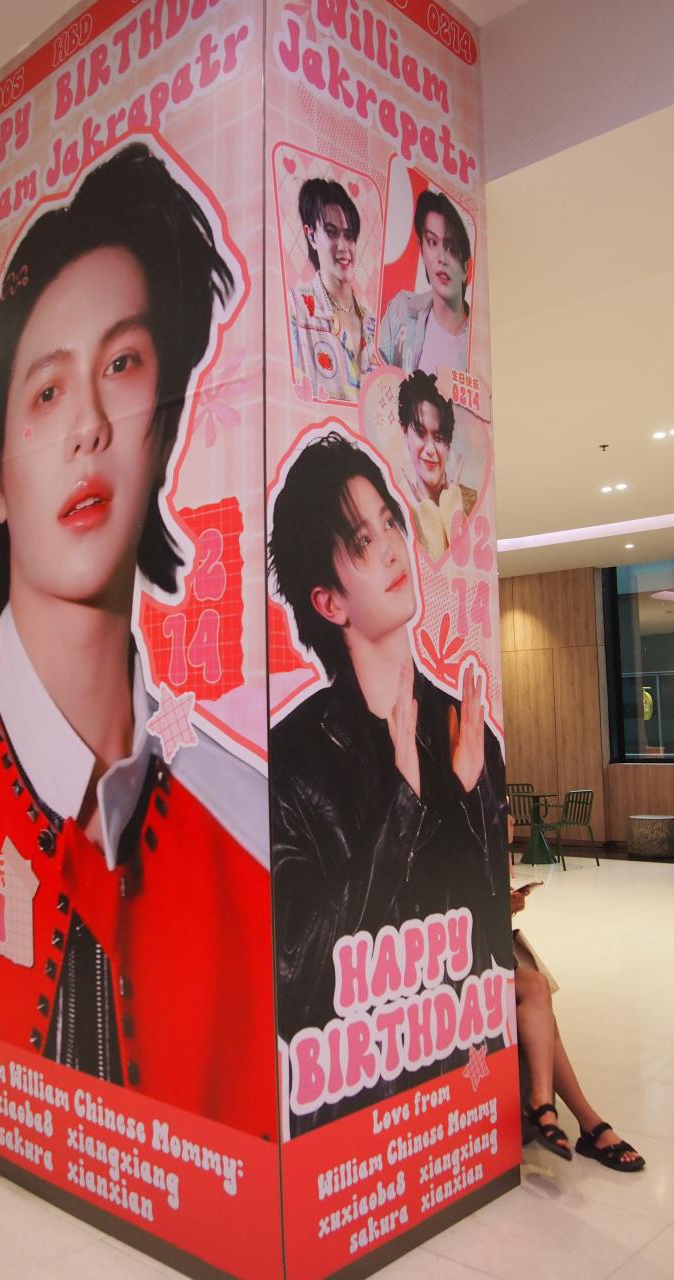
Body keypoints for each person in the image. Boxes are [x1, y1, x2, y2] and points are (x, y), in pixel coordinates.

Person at [0, 143, 275, 1139]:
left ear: (164, 425)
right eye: (46, 392)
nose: (87, 427)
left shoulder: (246, 823)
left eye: (122, 365)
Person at [268, 432, 508, 1133]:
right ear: (329, 602)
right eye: (363, 541)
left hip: (456, 1082)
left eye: (390, 524)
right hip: (355, 1103)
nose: (394, 549)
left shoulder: (466, 732)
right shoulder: (294, 759)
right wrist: (403, 803)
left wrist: (467, 799)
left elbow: (492, 938)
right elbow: (299, 975)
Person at [508, 822, 645, 1171]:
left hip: (488, 956)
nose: (509, 821)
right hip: (449, 962)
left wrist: (506, 903)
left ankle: (560, 1111)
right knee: (538, 998)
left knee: (539, 999)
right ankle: (583, 1122)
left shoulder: (483, 842)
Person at [288, 178, 376, 402]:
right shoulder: (296, 310)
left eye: (349, 235)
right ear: (311, 235)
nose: (343, 247)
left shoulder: (373, 325)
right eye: (331, 232)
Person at [378, 189, 471, 375]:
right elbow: (373, 377)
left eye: (451, 248)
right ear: (422, 249)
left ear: (465, 269)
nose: (441, 258)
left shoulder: (476, 345)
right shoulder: (401, 310)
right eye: (432, 242)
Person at [397, 370, 477, 557]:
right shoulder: (398, 517)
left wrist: (452, 507)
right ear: (404, 432)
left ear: (449, 444)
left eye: (439, 437)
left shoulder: (474, 502)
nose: (430, 449)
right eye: (420, 433)